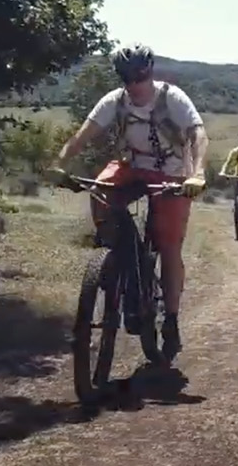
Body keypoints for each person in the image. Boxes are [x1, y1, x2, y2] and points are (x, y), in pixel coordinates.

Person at [52, 43, 208, 359]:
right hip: (133, 165)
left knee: (168, 245)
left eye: (140, 78)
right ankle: (113, 255)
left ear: (149, 73)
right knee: (102, 187)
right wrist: (60, 163)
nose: (134, 85)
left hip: (171, 171)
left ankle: (172, 320)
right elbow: (83, 135)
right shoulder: (116, 101)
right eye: (128, 79)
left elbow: (197, 133)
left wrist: (198, 174)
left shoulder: (171, 98)